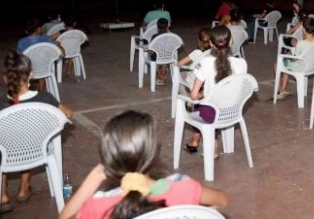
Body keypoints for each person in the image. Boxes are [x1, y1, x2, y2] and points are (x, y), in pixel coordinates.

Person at [59, 111, 228, 219]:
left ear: (108, 156)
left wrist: (96, 175)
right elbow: (222, 201)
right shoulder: (183, 187)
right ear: (153, 152)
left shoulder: (99, 205)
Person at [0, 51, 73, 214]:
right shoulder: (46, 98)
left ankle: (3, 195)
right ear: (31, 75)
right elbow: (68, 113)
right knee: (29, 139)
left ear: (5, 78)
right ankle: (23, 188)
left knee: (0, 149)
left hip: (6, 157)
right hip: (36, 152)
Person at [184, 26, 248, 155]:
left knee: (199, 104)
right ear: (231, 41)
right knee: (215, 101)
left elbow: (194, 95)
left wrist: (204, 94)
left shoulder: (206, 63)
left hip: (212, 114)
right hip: (233, 111)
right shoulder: (242, 63)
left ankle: (204, 142)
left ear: (211, 43)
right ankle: (207, 142)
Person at [276, 17, 314, 100]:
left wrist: (288, 56)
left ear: (303, 30)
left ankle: (282, 90)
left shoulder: (301, 43)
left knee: (278, 65)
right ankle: (283, 88)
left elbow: (295, 58)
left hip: (302, 67)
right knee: (287, 62)